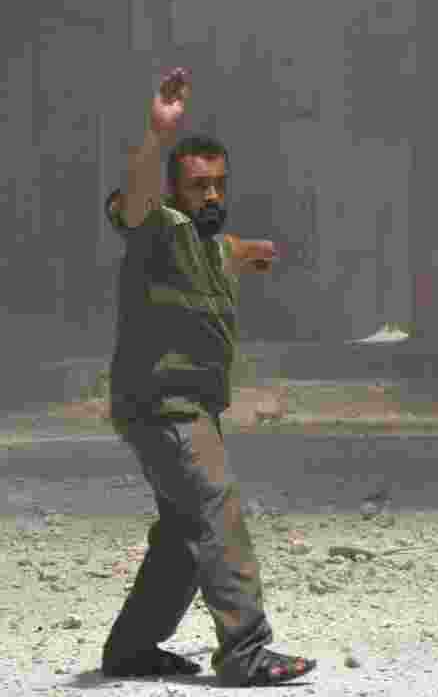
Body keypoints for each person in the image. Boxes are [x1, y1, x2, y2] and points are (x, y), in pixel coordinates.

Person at [99, 67, 317, 687]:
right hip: (164, 407)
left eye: (220, 184)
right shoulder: (155, 229)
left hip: (189, 407)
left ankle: (131, 651)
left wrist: (252, 252)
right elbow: (139, 200)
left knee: (182, 534)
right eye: (199, 186)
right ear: (174, 189)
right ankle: (246, 651)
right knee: (217, 508)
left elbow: (226, 247)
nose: (213, 196)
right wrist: (156, 134)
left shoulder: (205, 243)